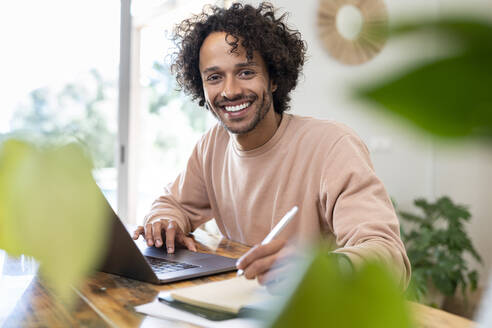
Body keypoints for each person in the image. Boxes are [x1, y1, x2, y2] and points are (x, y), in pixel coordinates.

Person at [133, 2, 411, 288]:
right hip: (242, 304)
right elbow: (172, 204)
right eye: (215, 77)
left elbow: (389, 257)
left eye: (246, 72)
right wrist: (164, 223)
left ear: (274, 78)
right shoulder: (212, 146)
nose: (230, 91)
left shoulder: (332, 145)